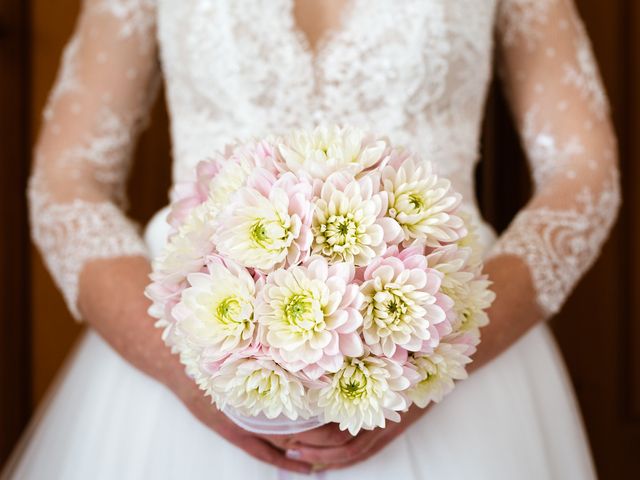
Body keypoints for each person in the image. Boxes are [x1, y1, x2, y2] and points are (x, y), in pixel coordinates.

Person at [5, 0, 620, 478]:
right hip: (181, 358)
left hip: (454, 357)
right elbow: (69, 180)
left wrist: (444, 352)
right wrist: (187, 368)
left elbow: (583, 175)